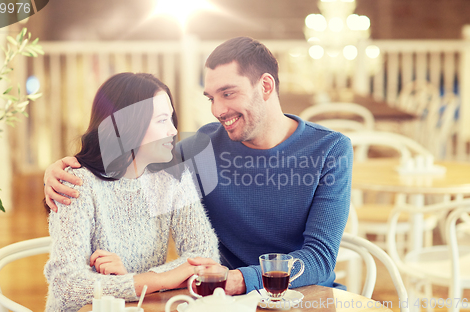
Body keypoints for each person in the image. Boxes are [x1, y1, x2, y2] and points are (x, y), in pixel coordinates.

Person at [44, 37, 353, 296]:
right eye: (211, 98)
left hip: (302, 295)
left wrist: (239, 279)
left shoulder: (329, 149)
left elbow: (320, 258)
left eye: (228, 93)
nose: (217, 110)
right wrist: (60, 169)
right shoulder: (203, 146)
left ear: (266, 86)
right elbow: (136, 160)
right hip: (220, 299)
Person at [43, 72, 219, 311]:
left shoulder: (173, 179)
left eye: (171, 118)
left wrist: (132, 279)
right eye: (161, 120)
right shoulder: (75, 184)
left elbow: (205, 257)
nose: (172, 130)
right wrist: (158, 279)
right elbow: (66, 287)